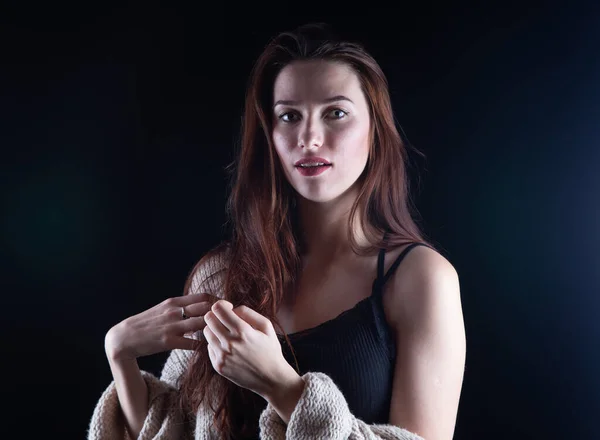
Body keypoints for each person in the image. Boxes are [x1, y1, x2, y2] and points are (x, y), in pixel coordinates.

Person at [87, 22, 466, 440]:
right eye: (289, 116)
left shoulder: (420, 279)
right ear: (269, 135)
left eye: (335, 113)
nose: (309, 137)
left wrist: (282, 388)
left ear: (375, 129)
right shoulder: (219, 275)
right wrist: (120, 353)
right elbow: (176, 432)